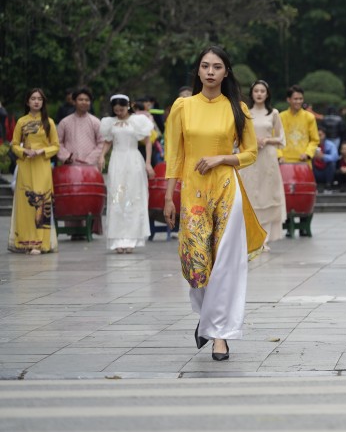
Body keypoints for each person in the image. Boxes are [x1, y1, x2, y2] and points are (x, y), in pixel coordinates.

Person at [163, 46, 267, 362]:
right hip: (193, 193)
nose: (210, 72)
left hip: (227, 190)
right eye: (205, 66)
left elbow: (250, 152)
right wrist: (168, 195)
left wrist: (222, 157)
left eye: (217, 67)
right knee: (195, 264)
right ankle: (208, 318)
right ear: (198, 71)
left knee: (224, 265)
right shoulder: (182, 107)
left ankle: (220, 334)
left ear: (226, 72)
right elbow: (175, 154)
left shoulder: (237, 108)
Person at [100, 94, 154, 253]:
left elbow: (148, 141)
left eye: (122, 109)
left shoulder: (137, 121)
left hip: (133, 160)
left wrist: (148, 162)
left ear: (128, 106)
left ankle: (131, 240)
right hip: (117, 160)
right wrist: (102, 155)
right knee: (117, 198)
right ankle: (117, 240)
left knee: (133, 197)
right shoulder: (110, 123)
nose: (119, 112)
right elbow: (108, 141)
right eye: (116, 110)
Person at [9, 89, 59, 254]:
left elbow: (56, 146)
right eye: (33, 99)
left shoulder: (49, 122)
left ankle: (40, 243)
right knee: (26, 203)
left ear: (43, 102)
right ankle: (25, 242)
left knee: (42, 200)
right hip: (25, 165)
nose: (36, 102)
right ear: (27, 102)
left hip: (42, 166)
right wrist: (25, 152)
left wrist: (41, 152)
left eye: (39, 99)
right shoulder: (21, 122)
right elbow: (14, 144)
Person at [240, 80, 286, 248]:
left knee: (267, 194)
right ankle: (251, 237)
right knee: (251, 194)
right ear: (251, 93)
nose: (259, 94)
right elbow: (239, 136)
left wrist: (267, 140)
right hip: (250, 159)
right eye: (256, 91)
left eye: (262, 91)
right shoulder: (246, 112)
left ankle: (264, 238)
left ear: (267, 94)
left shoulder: (273, 113)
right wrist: (252, 142)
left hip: (268, 158)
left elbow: (282, 139)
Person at [57, 88, 104, 169]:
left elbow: (102, 143)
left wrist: (90, 159)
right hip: (70, 167)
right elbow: (57, 143)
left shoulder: (96, 122)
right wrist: (66, 157)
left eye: (87, 100)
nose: (84, 102)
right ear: (74, 102)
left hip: (91, 167)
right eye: (81, 99)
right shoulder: (64, 122)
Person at [278, 86, 318, 166]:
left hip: (303, 162)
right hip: (284, 162)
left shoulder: (310, 117)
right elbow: (275, 139)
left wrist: (307, 153)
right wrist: (279, 156)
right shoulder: (280, 117)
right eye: (295, 99)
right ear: (288, 99)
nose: (298, 101)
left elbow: (315, 140)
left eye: (301, 99)